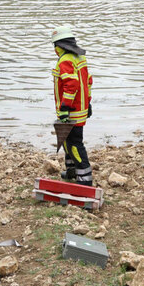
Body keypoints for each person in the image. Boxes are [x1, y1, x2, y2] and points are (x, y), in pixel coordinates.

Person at [51, 26, 93, 185]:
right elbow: (88, 82)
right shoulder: (79, 58)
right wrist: (88, 102)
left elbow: (71, 85)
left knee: (74, 144)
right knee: (68, 142)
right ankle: (71, 171)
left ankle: (85, 179)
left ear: (59, 46)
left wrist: (64, 108)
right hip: (81, 108)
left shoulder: (65, 60)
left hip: (71, 112)